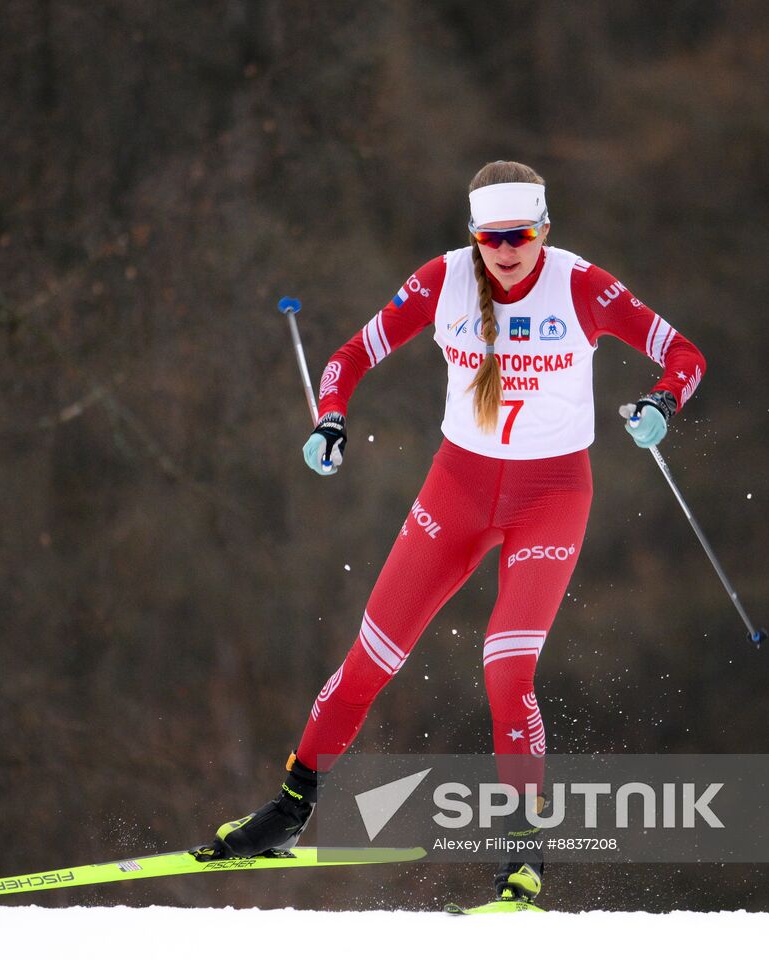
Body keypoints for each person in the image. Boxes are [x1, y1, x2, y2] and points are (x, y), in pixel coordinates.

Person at [200, 160, 706, 911]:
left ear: (544, 230)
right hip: (459, 488)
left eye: (521, 235)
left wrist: (662, 404)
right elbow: (349, 356)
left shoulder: (582, 286)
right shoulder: (443, 282)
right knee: (370, 659)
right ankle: (290, 807)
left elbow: (685, 356)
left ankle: (522, 862)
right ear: (474, 235)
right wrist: (330, 418)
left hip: (552, 495)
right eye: (491, 236)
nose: (507, 250)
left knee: (506, 669)